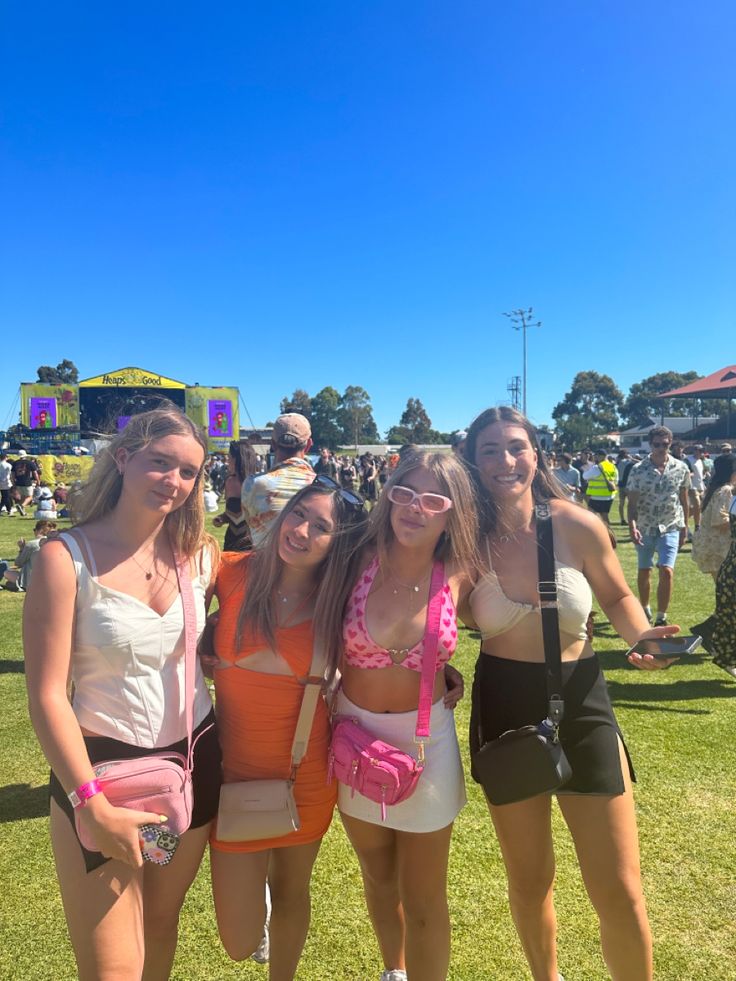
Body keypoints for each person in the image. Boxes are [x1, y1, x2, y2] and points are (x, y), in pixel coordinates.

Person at [462, 406, 676, 981]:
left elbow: (617, 596)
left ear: (537, 453)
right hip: (503, 707)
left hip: (582, 704)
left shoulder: (577, 524)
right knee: (530, 883)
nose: (505, 461)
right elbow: (432, 613)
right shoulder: (462, 538)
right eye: (489, 449)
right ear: (472, 460)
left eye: (516, 446)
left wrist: (641, 637)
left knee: (619, 888)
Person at [23, 406, 222, 980]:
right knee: (114, 968)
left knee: (159, 930)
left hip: (190, 768)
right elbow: (46, 697)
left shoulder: (201, 556)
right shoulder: (65, 558)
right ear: (122, 458)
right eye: (161, 463)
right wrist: (90, 801)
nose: (175, 482)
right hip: (103, 776)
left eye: (188, 473)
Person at [206, 478, 368, 979]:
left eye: (320, 527)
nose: (300, 530)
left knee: (293, 891)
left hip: (307, 779)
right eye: (298, 514)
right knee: (237, 940)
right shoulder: (231, 573)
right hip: (230, 777)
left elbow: (390, 639)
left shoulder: (338, 601)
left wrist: (440, 673)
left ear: (338, 544)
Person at [337, 451, 477, 981]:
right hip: (354, 736)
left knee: (424, 897)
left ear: (452, 511)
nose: (414, 509)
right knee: (377, 876)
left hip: (426, 744)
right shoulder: (356, 557)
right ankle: (393, 971)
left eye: (433, 499)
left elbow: (518, 617)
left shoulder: (462, 570)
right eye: (404, 493)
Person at [627, 426, 691, 626]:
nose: (661, 448)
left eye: (665, 444)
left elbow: (684, 499)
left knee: (666, 570)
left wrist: (685, 527)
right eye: (657, 444)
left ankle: (661, 616)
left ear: (671, 443)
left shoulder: (681, 467)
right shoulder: (639, 470)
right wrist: (632, 526)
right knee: (645, 569)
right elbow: (633, 504)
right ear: (650, 444)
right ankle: (644, 607)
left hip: (671, 525)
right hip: (645, 526)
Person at [241, 413, 315, 547]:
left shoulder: (252, 484)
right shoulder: (319, 488)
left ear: (273, 444)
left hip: (262, 564)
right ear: (309, 445)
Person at [691, 454, 736, 580]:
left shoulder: (713, 488)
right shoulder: (725, 490)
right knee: (728, 593)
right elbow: (719, 521)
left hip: (711, 547)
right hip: (719, 549)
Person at [213, 440, 257, 551]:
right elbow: (230, 513)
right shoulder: (229, 482)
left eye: (229, 457)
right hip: (230, 542)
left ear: (238, 460)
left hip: (252, 544)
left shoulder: (258, 484)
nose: (227, 461)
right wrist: (221, 519)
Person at [582, 449, 617, 525]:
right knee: (605, 516)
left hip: (597, 496)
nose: (595, 458)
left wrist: (587, 469)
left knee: (591, 516)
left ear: (601, 456)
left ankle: (595, 532)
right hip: (609, 496)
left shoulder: (597, 467)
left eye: (596, 456)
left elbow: (585, 476)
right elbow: (616, 480)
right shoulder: (613, 466)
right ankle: (609, 534)